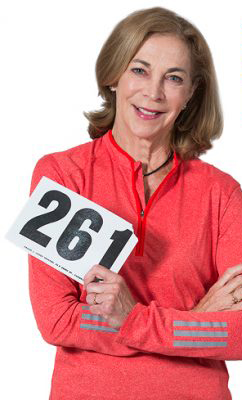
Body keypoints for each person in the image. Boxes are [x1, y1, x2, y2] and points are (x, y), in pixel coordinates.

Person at [28, 6, 242, 400]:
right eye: (139, 70)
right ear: (114, 76)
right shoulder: (63, 175)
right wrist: (195, 321)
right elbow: (56, 320)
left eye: (173, 78)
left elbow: (241, 333)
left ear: (192, 92)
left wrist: (132, 319)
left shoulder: (222, 193)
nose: (153, 93)